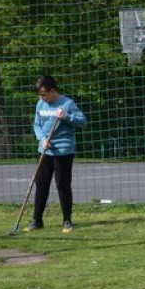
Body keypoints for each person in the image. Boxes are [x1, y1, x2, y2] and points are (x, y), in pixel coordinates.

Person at [26, 75, 87, 233]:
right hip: (45, 150)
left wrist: (67, 116)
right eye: (40, 95)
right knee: (41, 184)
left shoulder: (67, 103)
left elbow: (82, 121)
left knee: (62, 185)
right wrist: (42, 140)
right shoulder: (40, 104)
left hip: (63, 151)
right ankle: (37, 220)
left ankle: (67, 221)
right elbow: (37, 125)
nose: (42, 97)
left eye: (44, 94)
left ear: (52, 91)